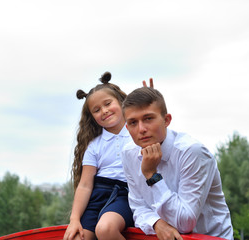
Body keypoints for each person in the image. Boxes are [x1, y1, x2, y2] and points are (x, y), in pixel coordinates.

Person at [121, 87, 234, 240]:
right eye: (133, 122)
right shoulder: (129, 153)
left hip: (208, 237)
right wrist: (156, 223)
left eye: (148, 118)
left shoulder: (192, 152)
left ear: (166, 120)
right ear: (127, 128)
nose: (141, 129)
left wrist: (152, 175)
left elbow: (184, 223)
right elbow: (138, 207)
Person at [64, 72, 152, 240]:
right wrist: (74, 219)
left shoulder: (137, 133)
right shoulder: (94, 145)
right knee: (75, 237)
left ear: (121, 102)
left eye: (108, 104)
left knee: (105, 229)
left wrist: (146, 110)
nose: (104, 111)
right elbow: (84, 185)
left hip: (125, 193)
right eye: (97, 110)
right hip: (97, 196)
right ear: (92, 117)